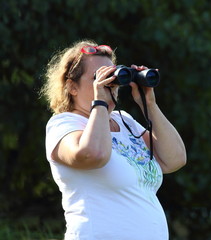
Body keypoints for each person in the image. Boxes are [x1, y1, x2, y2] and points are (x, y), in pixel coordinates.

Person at [41, 40, 187, 240]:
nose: (110, 84)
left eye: (113, 76)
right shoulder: (63, 124)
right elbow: (94, 155)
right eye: (99, 77)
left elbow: (174, 159)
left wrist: (148, 103)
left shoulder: (123, 120)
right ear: (72, 87)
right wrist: (99, 100)